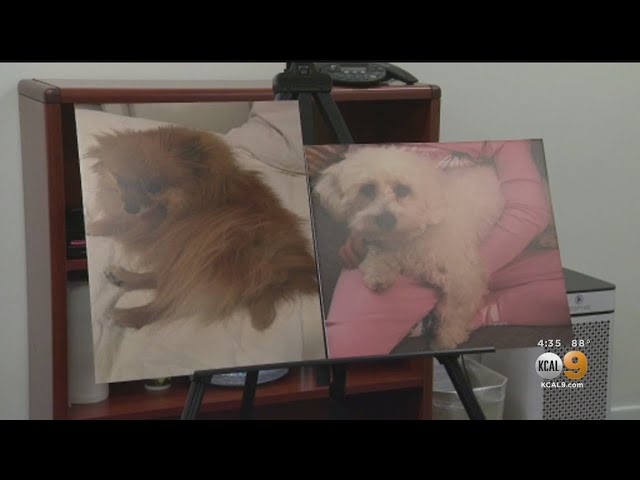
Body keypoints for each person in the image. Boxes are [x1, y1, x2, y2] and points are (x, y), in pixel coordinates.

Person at [306, 140, 570, 358]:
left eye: (400, 190)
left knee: (578, 297)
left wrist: (468, 275)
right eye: (368, 190)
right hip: (408, 246)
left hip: (498, 246)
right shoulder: (368, 141)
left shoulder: (502, 136)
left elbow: (531, 210)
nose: (385, 210)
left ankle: (479, 312)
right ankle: (446, 307)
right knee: (341, 351)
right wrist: (359, 234)